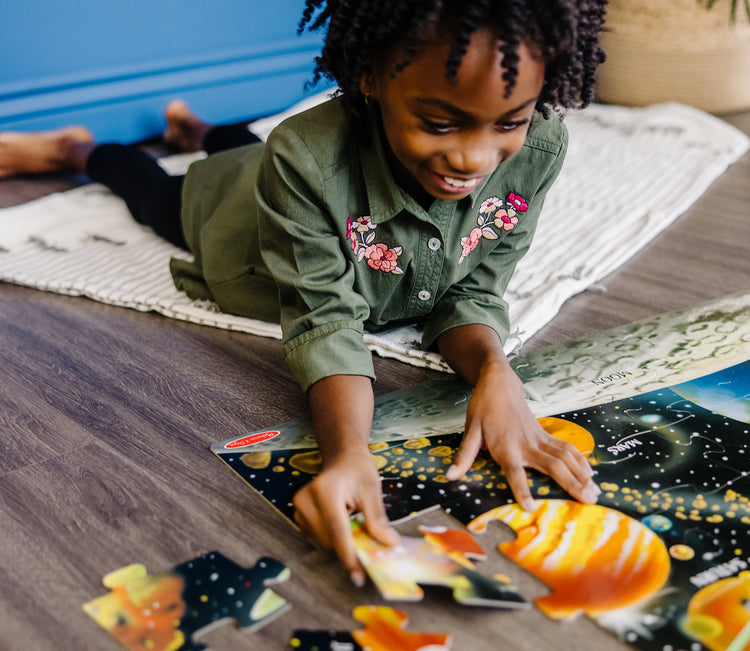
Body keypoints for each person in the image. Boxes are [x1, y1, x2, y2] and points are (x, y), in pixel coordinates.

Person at [0, 0, 607, 585]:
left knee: (247, 143)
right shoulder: (306, 156)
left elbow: (473, 290)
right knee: (158, 195)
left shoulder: (541, 146)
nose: (475, 157)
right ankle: (73, 147)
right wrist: (347, 453)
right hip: (241, 218)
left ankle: (199, 128)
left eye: (509, 122)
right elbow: (326, 319)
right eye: (439, 122)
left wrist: (494, 372)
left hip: (284, 163)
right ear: (369, 77)